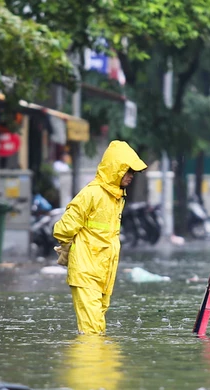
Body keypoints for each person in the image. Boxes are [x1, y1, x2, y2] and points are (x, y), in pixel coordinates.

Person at [53, 140, 147, 334]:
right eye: (127, 171)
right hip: (86, 272)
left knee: (98, 329)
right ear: (115, 169)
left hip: (103, 273)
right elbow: (63, 228)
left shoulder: (116, 197)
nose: (131, 177)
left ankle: (98, 363)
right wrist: (69, 248)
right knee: (92, 331)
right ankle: (91, 362)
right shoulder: (92, 193)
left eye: (133, 173)